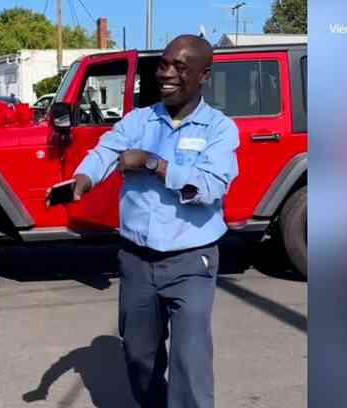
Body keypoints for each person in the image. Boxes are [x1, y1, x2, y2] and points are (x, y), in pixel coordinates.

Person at [51, 34, 239, 408]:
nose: (166, 74)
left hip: (192, 261)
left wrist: (152, 164)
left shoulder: (219, 129)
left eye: (180, 67)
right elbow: (105, 151)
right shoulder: (138, 120)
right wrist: (83, 180)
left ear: (204, 75)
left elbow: (208, 186)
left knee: (190, 359)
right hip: (137, 260)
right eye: (164, 64)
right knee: (140, 358)